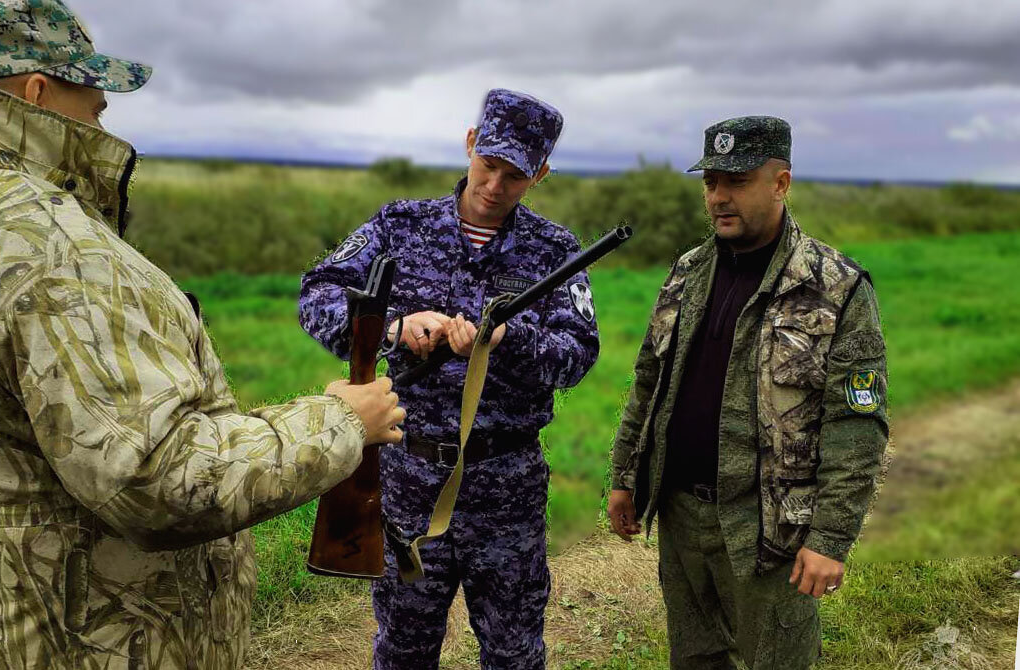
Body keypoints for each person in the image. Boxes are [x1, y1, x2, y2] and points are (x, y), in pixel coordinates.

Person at [0, 1, 404, 668]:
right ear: (36, 91)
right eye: (94, 101)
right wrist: (339, 421)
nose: (98, 118)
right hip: (103, 639)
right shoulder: (46, 240)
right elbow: (157, 480)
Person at [300, 88, 600, 669]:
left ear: (539, 174)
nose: (494, 185)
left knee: (514, 654)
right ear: (469, 144)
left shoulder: (557, 251)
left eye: (515, 175)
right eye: (488, 164)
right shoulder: (398, 225)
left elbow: (578, 354)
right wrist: (393, 327)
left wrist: (509, 340)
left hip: (506, 488)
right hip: (409, 480)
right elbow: (318, 295)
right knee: (404, 651)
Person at [607, 116, 888, 669]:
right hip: (683, 517)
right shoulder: (688, 272)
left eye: (736, 181)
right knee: (695, 657)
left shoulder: (834, 288)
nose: (718, 197)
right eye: (711, 182)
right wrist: (624, 479)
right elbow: (648, 383)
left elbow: (857, 428)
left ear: (781, 182)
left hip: (769, 531)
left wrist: (829, 539)